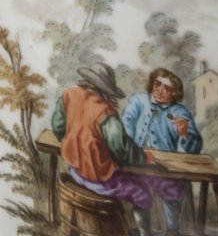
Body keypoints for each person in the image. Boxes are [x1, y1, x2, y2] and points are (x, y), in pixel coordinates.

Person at [49, 63, 149, 226]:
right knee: (142, 194)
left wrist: (75, 140)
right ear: (105, 89)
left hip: (74, 170)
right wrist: (144, 158)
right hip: (99, 180)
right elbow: (122, 148)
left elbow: (58, 127)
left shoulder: (68, 95)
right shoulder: (105, 111)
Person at [119, 69, 204, 236]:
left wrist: (185, 134)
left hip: (165, 166)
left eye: (167, 88)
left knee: (172, 191)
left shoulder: (180, 112)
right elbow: (127, 122)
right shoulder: (139, 100)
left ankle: (172, 229)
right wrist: (132, 149)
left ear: (175, 93)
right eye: (157, 84)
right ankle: (144, 233)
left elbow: (194, 148)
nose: (160, 90)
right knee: (138, 191)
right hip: (137, 161)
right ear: (152, 84)